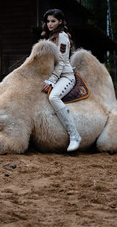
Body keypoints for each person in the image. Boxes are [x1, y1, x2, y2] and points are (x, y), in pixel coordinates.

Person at [40, 9, 81, 152]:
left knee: (53, 97)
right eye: (48, 21)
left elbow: (61, 63)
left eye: (53, 21)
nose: (50, 24)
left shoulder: (62, 37)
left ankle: (74, 135)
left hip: (65, 76)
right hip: (53, 75)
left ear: (60, 22)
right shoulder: (50, 37)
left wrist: (51, 80)